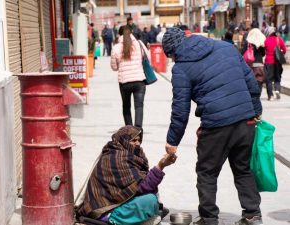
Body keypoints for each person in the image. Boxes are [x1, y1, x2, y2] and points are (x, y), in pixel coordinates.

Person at [162, 28, 263, 225]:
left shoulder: (181, 68)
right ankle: (253, 215)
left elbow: (180, 110)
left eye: (171, 56)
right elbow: (251, 82)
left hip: (216, 126)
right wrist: (256, 110)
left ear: (173, 51)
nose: (173, 60)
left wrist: (172, 141)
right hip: (245, 121)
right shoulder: (226, 47)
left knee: (207, 172)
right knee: (243, 169)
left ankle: (209, 219)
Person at [76, 125, 177, 225]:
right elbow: (143, 186)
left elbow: (142, 184)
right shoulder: (117, 158)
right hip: (104, 210)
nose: (137, 143)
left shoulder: (130, 154)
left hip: (118, 201)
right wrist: (161, 166)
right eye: (133, 140)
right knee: (149, 200)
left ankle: (142, 215)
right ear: (124, 141)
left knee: (153, 197)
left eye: (138, 140)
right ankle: (113, 219)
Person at [111, 26, 150, 128]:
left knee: (126, 106)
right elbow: (148, 58)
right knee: (139, 106)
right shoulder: (139, 44)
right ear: (131, 33)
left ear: (119, 35)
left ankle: (129, 131)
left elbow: (114, 67)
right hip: (139, 81)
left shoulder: (116, 47)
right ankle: (138, 131)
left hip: (124, 82)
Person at [264, 26, 287, 100]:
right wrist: (280, 53)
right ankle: (277, 90)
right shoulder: (279, 39)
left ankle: (270, 95)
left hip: (268, 62)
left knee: (269, 79)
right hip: (277, 62)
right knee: (277, 78)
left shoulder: (266, 40)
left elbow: (264, 50)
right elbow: (284, 49)